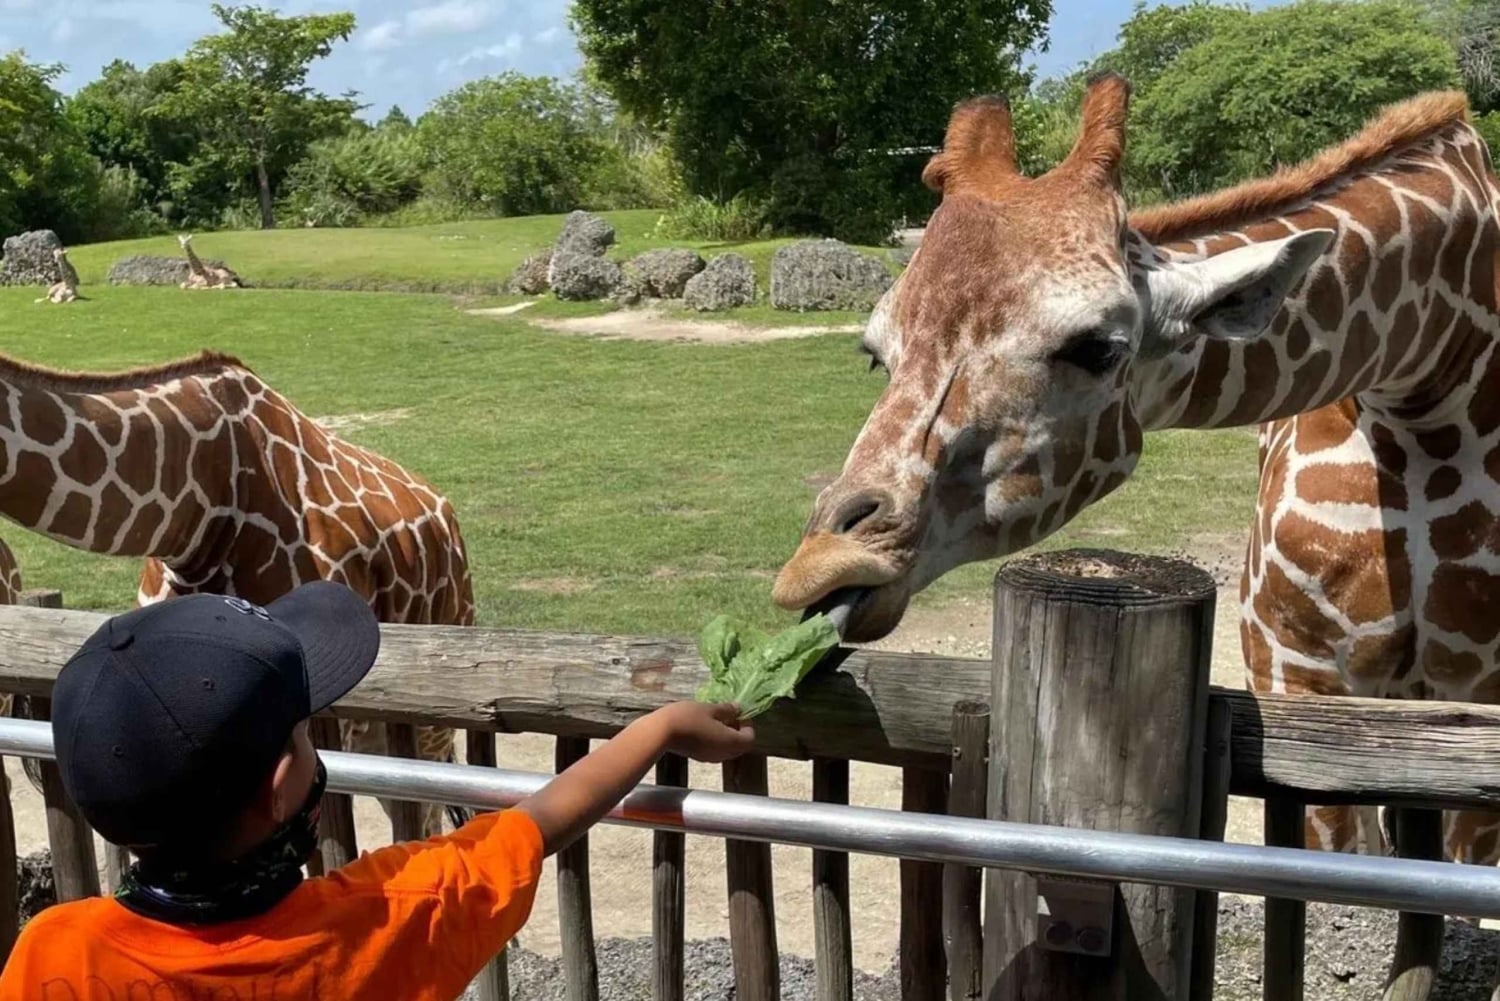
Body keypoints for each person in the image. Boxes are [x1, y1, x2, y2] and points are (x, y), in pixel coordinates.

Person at [0, 581, 754, 1000]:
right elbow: (541, 820)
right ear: (280, 788)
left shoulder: (52, 957)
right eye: (303, 734)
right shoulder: (386, 920)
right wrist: (659, 728)